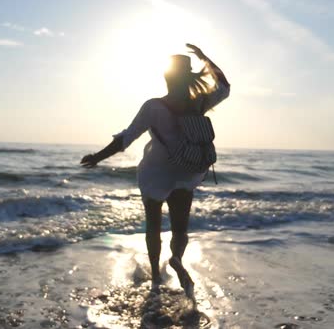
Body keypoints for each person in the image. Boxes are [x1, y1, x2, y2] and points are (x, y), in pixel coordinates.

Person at [80, 43, 230, 299]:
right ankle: (177, 259)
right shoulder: (199, 103)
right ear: (189, 76)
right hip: (186, 171)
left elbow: (126, 138)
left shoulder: (153, 106)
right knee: (180, 229)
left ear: (166, 76)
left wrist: (98, 157)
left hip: (156, 174)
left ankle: (156, 278)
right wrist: (206, 59)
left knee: (153, 226)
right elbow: (224, 87)